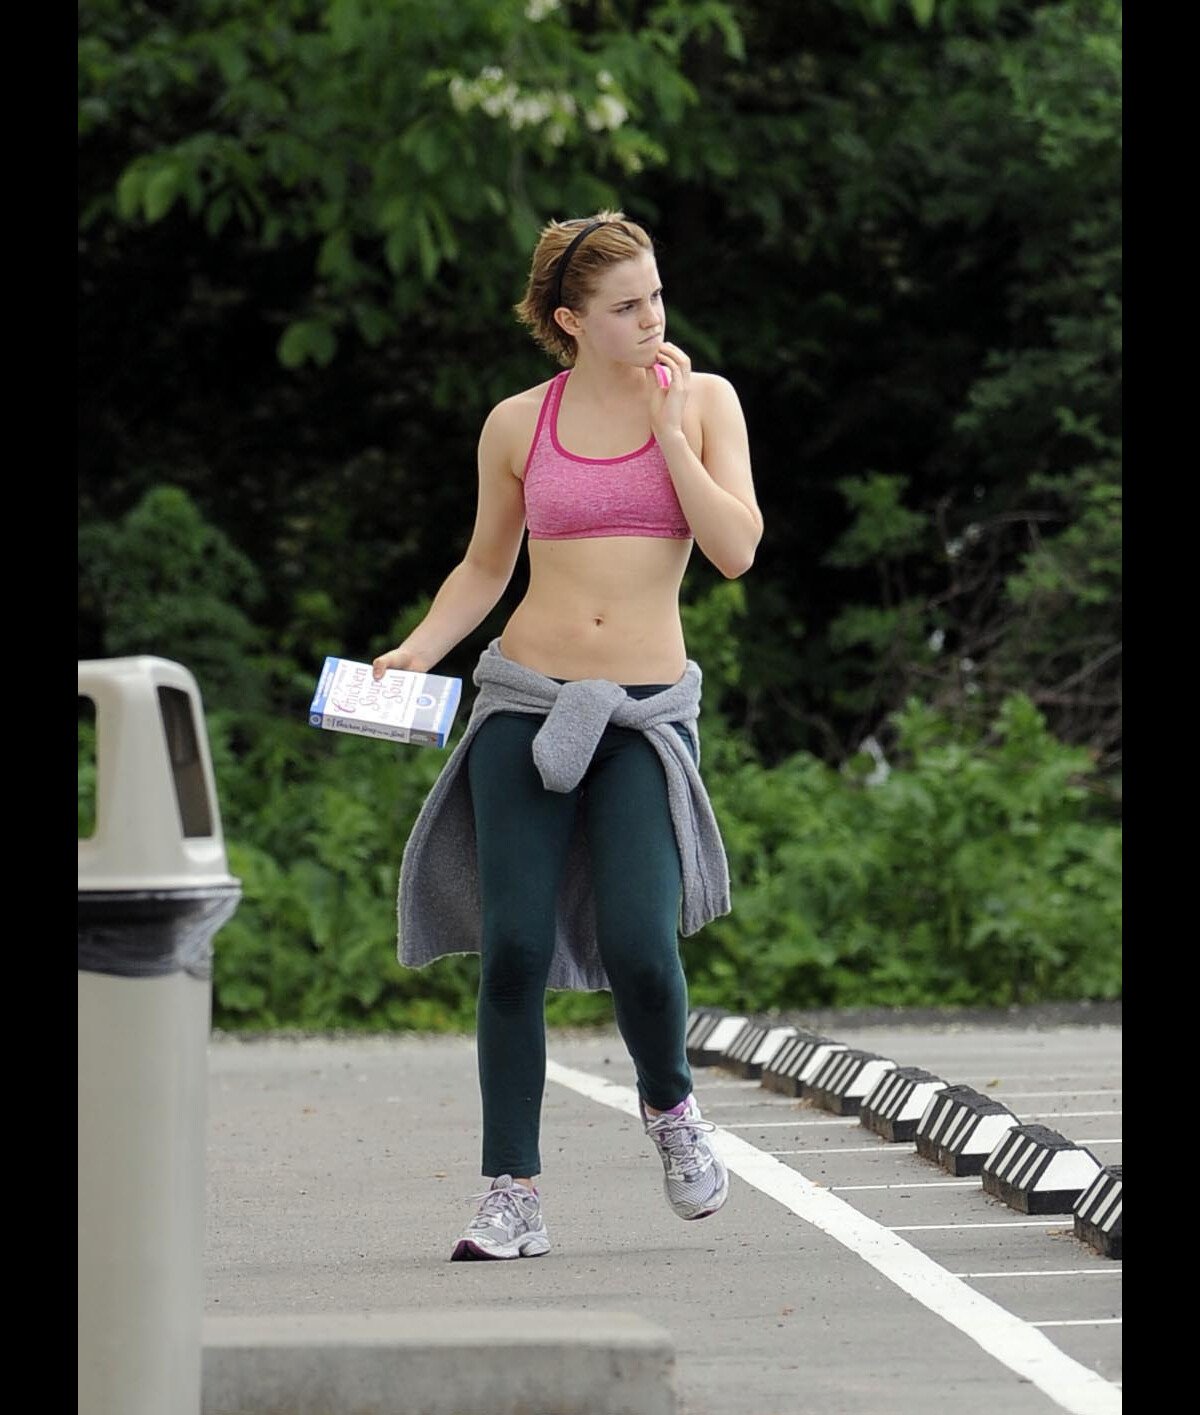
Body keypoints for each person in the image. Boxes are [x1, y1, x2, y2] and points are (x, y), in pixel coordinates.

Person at [372, 210, 763, 1261]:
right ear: (570, 319)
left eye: (656, 297)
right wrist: (418, 648)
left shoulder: (708, 401)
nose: (652, 319)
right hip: (526, 697)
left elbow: (734, 550)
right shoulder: (516, 424)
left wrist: (671, 431)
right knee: (513, 947)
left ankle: (672, 1112)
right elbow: (485, 569)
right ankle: (513, 1192)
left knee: (642, 941)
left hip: (640, 713)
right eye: (627, 306)